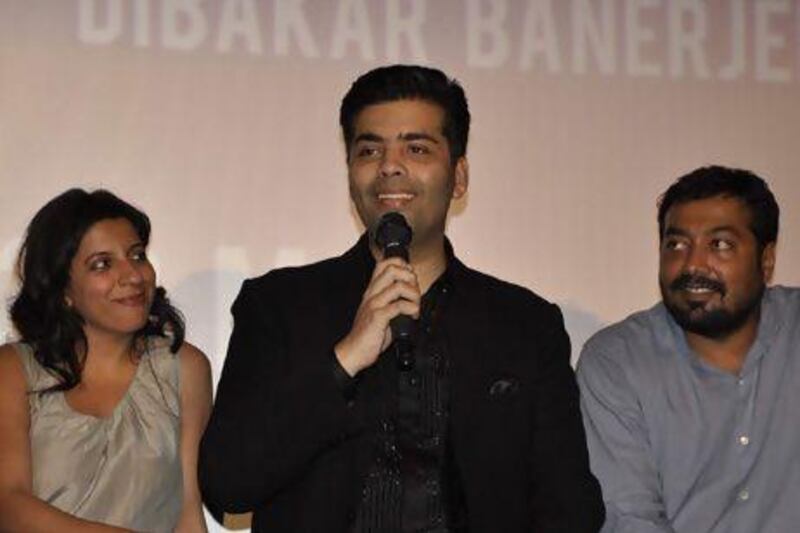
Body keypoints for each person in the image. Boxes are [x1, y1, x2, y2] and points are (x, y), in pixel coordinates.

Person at [199, 64, 603, 532]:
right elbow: (228, 483)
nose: (390, 166)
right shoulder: (279, 306)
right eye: (369, 149)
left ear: (459, 177)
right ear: (351, 173)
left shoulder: (524, 325)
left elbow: (570, 509)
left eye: (416, 148)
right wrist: (345, 359)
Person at [577, 166, 800, 532]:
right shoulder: (617, 362)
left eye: (720, 245)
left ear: (767, 259)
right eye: (676, 245)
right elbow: (630, 520)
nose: (693, 264)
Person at [0, 189, 212, 533]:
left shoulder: (184, 367)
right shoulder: (13, 370)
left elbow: (188, 510)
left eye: (138, 255)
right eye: (102, 264)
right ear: (63, 290)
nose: (133, 275)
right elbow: (8, 504)